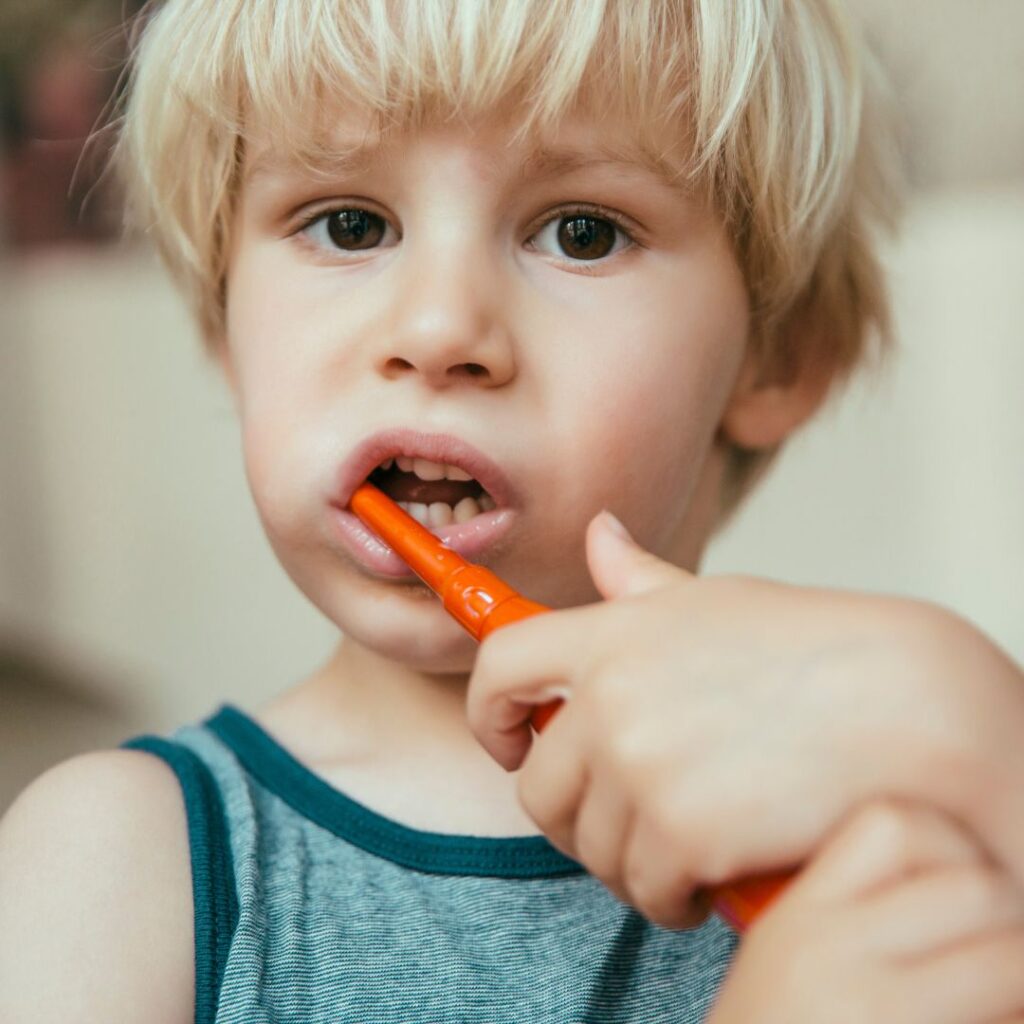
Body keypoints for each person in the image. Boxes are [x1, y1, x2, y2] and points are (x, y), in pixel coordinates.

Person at [2, 1, 1023, 1021]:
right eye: (348, 223)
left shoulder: (910, 821)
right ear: (224, 321)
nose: (440, 326)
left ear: (780, 353)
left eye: (581, 233)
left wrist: (987, 742)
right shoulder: (116, 872)